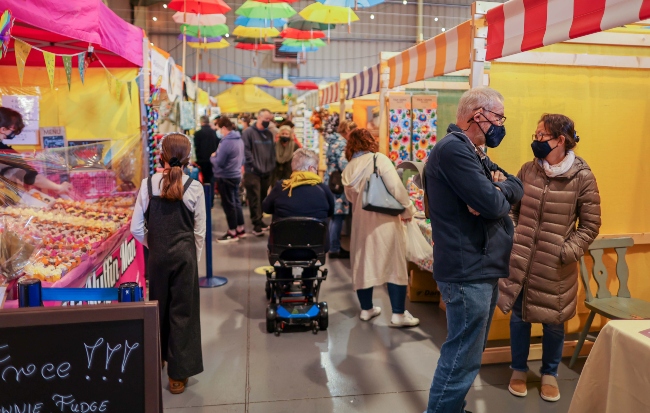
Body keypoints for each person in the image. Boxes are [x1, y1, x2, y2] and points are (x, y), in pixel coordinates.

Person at [424, 87, 523, 413]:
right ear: (477, 115)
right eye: (498, 117)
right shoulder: (454, 151)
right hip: (468, 268)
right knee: (462, 356)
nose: (500, 124)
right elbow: (494, 205)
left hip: (479, 265)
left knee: (468, 352)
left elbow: (514, 185)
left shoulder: (472, 150)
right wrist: (495, 194)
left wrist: (498, 186)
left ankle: (449, 408)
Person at [498, 114, 601, 402]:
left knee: (554, 322)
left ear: (560, 140)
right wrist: (516, 236)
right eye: (535, 134)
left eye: (541, 136)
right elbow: (511, 208)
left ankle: (549, 374)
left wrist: (564, 251)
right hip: (522, 262)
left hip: (556, 267)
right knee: (519, 318)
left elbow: (590, 225)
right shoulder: (528, 170)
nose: (536, 140)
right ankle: (518, 369)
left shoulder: (582, 177)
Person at [131, 133, 206, 395]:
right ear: (188, 159)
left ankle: (159, 358)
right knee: (183, 312)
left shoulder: (148, 184)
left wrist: (154, 245)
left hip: (158, 257)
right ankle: (178, 375)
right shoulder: (194, 187)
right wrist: (193, 259)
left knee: (158, 306)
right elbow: (199, 232)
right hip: (185, 256)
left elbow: (135, 228)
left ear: (160, 156)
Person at [342, 128, 420, 327]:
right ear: (370, 141)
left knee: (363, 263)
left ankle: (366, 309)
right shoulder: (379, 159)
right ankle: (398, 314)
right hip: (385, 220)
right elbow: (395, 187)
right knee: (394, 264)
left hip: (361, 223)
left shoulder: (349, 168)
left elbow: (351, 198)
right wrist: (408, 210)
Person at [263, 148, 335, 296]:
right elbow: (330, 212)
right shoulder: (323, 189)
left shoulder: (281, 187)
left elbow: (266, 208)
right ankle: (308, 285)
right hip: (315, 250)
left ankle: (283, 283)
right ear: (310, 168)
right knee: (313, 238)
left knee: (282, 240)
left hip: (283, 250)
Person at [0, 107, 71, 195]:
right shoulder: (4, 152)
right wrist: (59, 187)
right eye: (13, 129)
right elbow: (32, 177)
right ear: (3, 129)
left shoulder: (4, 149)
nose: (14, 133)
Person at [323, 120, 356, 259]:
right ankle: (334, 248)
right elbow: (344, 165)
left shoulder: (332, 141)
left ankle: (332, 245)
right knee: (338, 215)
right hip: (339, 184)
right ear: (347, 130)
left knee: (334, 215)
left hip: (330, 180)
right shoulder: (342, 144)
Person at [212, 116, 246, 243]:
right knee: (236, 202)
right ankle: (240, 228)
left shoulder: (226, 142)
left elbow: (219, 162)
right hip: (236, 175)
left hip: (225, 176)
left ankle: (232, 231)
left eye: (219, 129)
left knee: (228, 204)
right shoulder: (239, 140)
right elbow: (243, 159)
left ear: (224, 128)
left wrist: (213, 157)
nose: (219, 132)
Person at [242, 108, 276, 236]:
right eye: (266, 119)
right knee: (254, 197)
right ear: (259, 117)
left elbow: (272, 151)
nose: (268, 121)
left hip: (267, 171)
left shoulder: (269, 134)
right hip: (253, 172)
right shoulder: (248, 133)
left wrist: (271, 165)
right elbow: (246, 150)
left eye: (269, 119)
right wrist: (254, 165)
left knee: (263, 197)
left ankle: (260, 219)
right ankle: (256, 224)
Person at [194, 115, 219, 206]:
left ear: (201, 122)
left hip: (202, 161)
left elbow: (196, 148)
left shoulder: (197, 134)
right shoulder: (214, 132)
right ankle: (210, 201)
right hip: (212, 161)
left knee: (202, 181)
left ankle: (203, 201)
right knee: (211, 181)